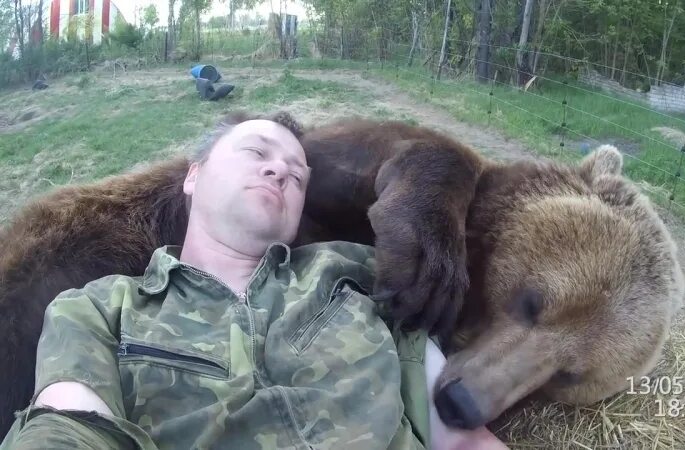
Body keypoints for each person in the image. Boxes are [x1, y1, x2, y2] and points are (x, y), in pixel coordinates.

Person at [0, 111, 508, 450]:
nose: (281, 171)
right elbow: (67, 423)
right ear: (192, 175)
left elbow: (466, 442)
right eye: (256, 153)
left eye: (298, 174)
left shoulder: (356, 277)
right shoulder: (95, 309)